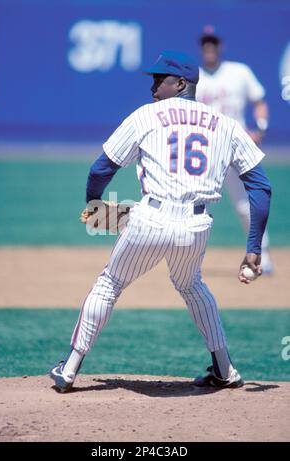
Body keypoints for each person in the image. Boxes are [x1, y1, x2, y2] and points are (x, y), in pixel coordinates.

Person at [50, 51, 271, 393]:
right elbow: (260, 185)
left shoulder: (145, 117)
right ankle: (225, 369)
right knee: (192, 286)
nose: (153, 86)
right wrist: (254, 248)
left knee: (109, 284)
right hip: (196, 227)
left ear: (181, 84)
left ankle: (69, 368)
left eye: (160, 79)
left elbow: (101, 168)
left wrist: (94, 205)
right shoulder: (226, 124)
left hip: (150, 218)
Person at [196, 25, 273, 273]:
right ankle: (187, 256)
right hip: (206, 150)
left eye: (213, 43)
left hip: (236, 146)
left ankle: (262, 255)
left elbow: (259, 101)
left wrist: (260, 128)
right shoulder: (194, 77)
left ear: (220, 46)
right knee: (196, 203)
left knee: (246, 204)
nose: (210, 47)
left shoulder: (239, 72)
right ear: (201, 48)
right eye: (206, 43)